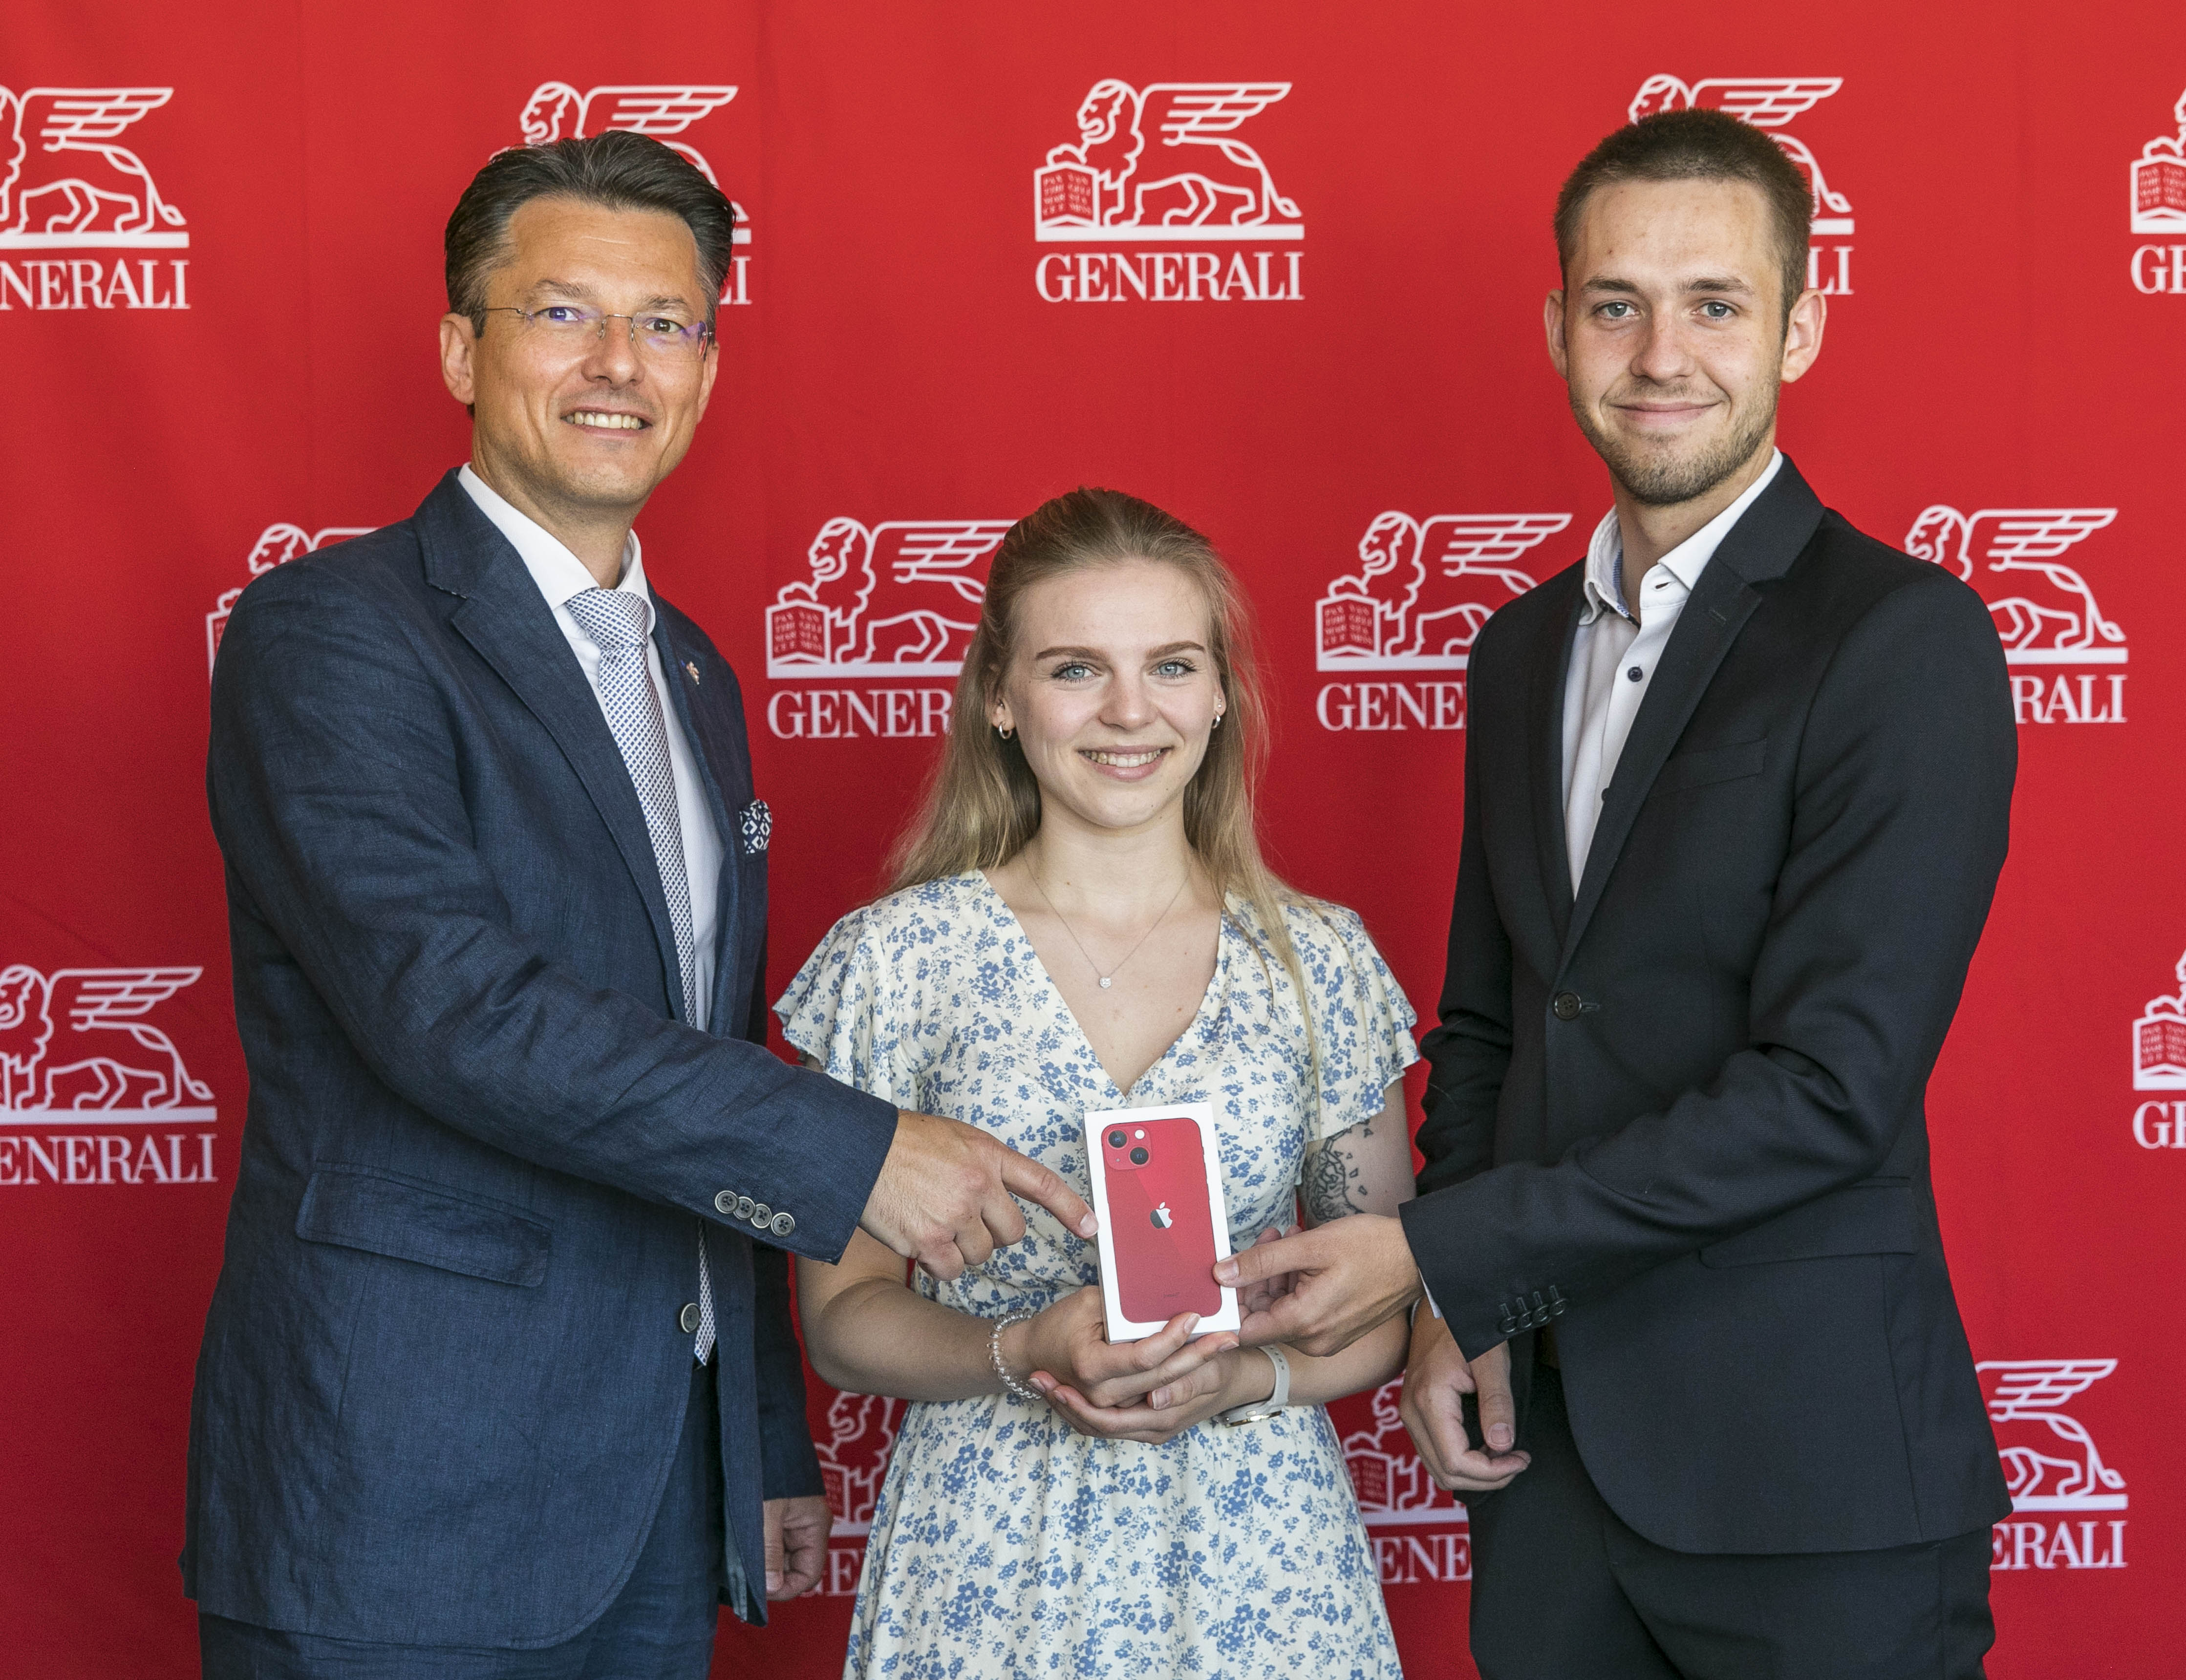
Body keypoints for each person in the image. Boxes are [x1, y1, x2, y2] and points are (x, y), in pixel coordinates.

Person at [189, 132, 1093, 1680]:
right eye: (563, 315)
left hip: (653, 1509)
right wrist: (862, 1154)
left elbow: (701, 1048)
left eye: (667, 323)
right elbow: (449, 1008)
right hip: (398, 1494)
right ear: (462, 350)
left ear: (709, 365)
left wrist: (761, 1437)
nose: (621, 363)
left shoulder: (695, 678)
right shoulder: (331, 635)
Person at [1220, 109, 2017, 1677]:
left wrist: (1443, 1257)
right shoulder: (1518, 654)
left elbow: (1828, 1091)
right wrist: (1460, 1297)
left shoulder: (1900, 639)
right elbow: (1484, 1025)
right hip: (1550, 1470)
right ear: (1557, 328)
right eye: (1615, 304)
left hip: (1811, 1481)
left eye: (1714, 303)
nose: (1661, 353)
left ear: (1799, 324)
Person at [782, 488, 1418, 1680]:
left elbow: (1374, 1302)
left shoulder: (1317, 960)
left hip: (1260, 1553)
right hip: (985, 1550)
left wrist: (1242, 1375)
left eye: (1171, 665)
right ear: (999, 699)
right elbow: (840, 1316)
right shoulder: (898, 961)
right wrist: (1022, 1345)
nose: (1131, 711)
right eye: (1076, 668)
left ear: (1220, 695)